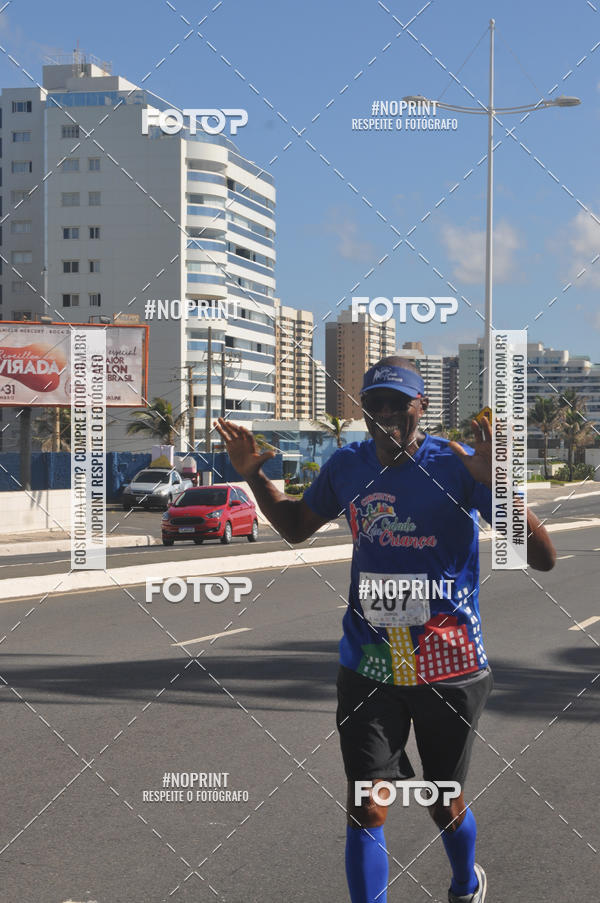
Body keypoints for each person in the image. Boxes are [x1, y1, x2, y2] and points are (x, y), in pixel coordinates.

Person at [214, 356, 555, 903]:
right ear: (364, 411)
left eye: (400, 403)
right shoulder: (347, 465)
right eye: (375, 404)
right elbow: (297, 526)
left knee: (442, 800)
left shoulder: (458, 465)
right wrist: (252, 474)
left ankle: (465, 883)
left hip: (449, 663)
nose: (387, 414)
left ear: (422, 406)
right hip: (370, 661)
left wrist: (499, 485)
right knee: (366, 804)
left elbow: (542, 559)